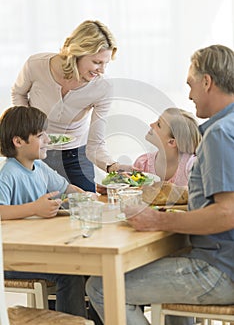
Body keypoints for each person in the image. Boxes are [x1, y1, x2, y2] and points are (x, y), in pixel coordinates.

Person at [86, 44, 234, 325]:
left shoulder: (220, 134)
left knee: (101, 287)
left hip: (221, 269)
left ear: (207, 82)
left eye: (191, 85)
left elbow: (226, 213)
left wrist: (156, 221)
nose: (189, 95)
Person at [11, 20, 131, 193]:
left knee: (87, 203)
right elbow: (18, 93)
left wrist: (112, 165)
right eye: (97, 62)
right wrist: (29, 131)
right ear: (77, 53)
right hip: (35, 152)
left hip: (75, 156)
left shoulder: (102, 88)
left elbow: (95, 143)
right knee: (38, 208)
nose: (102, 70)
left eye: (106, 63)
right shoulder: (36, 65)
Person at [0, 105, 92, 317]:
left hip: (36, 249)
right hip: (11, 258)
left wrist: (86, 197)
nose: (48, 141)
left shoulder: (39, 168)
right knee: (69, 274)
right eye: (41, 136)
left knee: (90, 270)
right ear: (18, 141)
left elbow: (67, 188)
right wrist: (35, 208)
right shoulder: (8, 173)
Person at [133, 107, 201, 186]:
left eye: (158, 125)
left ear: (171, 142)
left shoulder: (191, 166)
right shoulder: (142, 163)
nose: (151, 124)